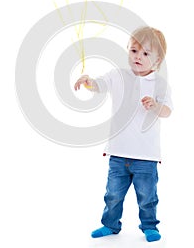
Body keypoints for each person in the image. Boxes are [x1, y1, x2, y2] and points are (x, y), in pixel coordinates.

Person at [74, 26, 173, 242]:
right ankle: (110, 224)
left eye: (146, 53)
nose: (138, 56)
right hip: (118, 153)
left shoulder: (160, 84)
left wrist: (155, 106)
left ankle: (149, 226)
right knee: (112, 195)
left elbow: (167, 111)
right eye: (134, 51)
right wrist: (88, 82)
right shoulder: (118, 75)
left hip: (146, 156)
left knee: (147, 197)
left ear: (157, 61)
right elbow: (99, 85)